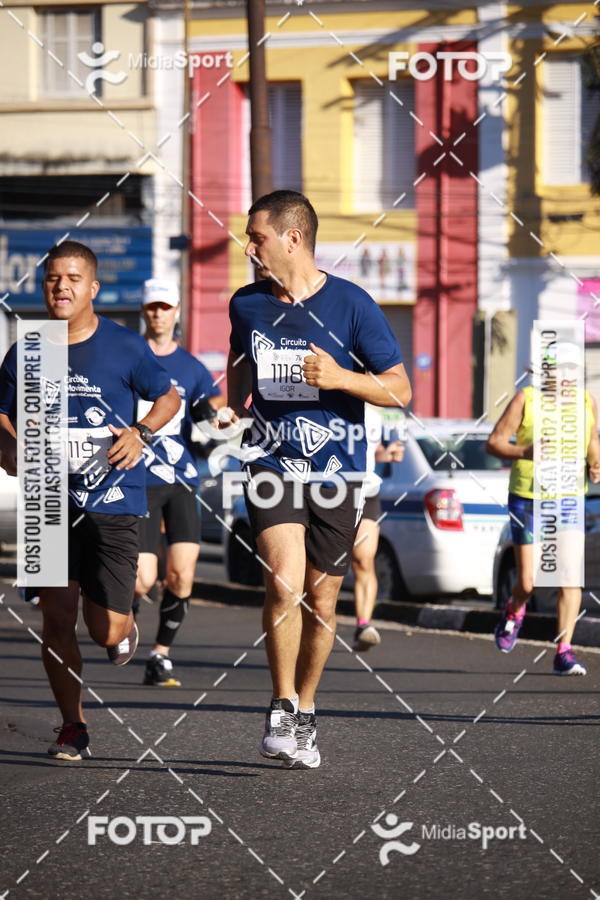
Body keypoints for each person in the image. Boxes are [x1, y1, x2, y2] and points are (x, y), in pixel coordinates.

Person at [224, 190, 411, 769]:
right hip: (271, 461)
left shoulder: (352, 305)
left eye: (257, 237)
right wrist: (232, 407)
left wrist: (341, 377)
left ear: (293, 238)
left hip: (338, 470)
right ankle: (280, 706)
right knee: (283, 584)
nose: (249, 247)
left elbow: (400, 390)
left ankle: (306, 709)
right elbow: (239, 365)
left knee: (323, 601)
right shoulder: (246, 304)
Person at [0, 241, 179, 760]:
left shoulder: (124, 347)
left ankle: (125, 620)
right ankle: (72, 726)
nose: (62, 286)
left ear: (93, 288)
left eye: (73, 278)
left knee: (104, 630)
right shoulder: (29, 350)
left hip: (114, 499)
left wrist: (141, 432)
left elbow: (168, 396)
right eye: (53, 278)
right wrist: (9, 444)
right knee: (56, 617)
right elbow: (1, 412)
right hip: (47, 501)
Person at [487, 342, 600, 675]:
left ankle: (564, 651)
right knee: (529, 580)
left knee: (569, 577)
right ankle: (514, 610)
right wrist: (526, 452)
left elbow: (593, 439)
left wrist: (595, 464)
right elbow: (494, 442)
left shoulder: (585, 400)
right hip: (528, 496)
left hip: (568, 497)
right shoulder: (527, 399)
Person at [134, 278, 222, 687]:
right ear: (143, 311)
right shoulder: (128, 356)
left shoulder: (192, 367)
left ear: (176, 312)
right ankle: (122, 623)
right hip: (138, 477)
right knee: (142, 579)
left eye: (165, 307)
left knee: (183, 575)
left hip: (183, 478)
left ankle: (160, 655)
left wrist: (222, 421)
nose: (158, 314)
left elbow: (207, 414)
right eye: (152, 306)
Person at [352, 404, 405, 652]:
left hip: (366, 490)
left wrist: (391, 453)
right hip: (327, 490)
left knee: (363, 559)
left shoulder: (378, 415)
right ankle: (314, 619)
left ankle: (363, 625)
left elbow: (380, 452)